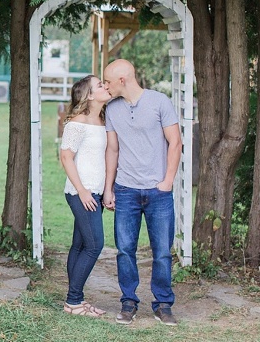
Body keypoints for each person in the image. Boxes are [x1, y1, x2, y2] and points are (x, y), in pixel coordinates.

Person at [102, 59, 182, 327]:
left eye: (108, 81)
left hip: (158, 192)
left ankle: (163, 304)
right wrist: (108, 188)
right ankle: (128, 302)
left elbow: (175, 142)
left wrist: (168, 181)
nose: (105, 86)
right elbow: (112, 149)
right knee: (125, 250)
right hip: (126, 190)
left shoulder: (160, 102)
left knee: (162, 251)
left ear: (122, 80)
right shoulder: (112, 109)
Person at [59, 75, 112, 317]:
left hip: (95, 191)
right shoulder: (76, 123)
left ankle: (76, 300)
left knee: (80, 245)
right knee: (94, 245)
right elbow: (65, 157)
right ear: (89, 95)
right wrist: (82, 191)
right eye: (100, 85)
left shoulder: (102, 120)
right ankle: (73, 302)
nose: (105, 86)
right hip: (82, 192)